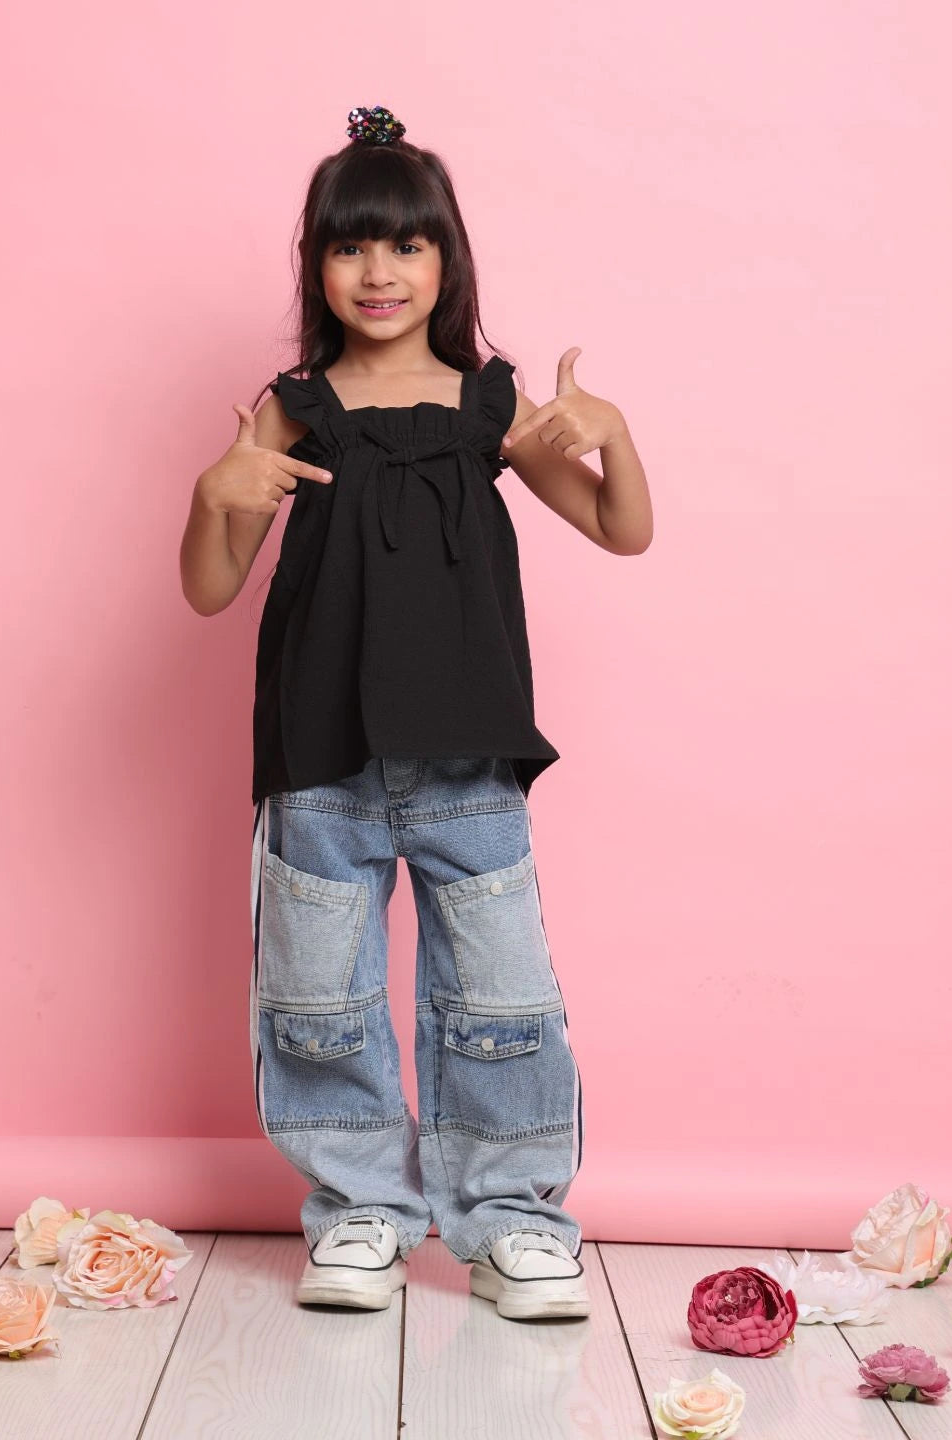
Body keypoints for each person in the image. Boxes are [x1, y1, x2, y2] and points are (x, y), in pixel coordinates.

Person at [180, 104, 653, 1322]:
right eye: (350, 248)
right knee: (319, 1001)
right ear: (316, 266)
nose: (378, 272)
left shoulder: (491, 405)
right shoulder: (292, 408)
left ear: (447, 260)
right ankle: (360, 1216)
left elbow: (620, 528)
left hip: (470, 756)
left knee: (501, 997)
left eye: (405, 246)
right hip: (321, 757)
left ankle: (516, 1221)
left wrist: (617, 437)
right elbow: (209, 587)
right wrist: (214, 492)